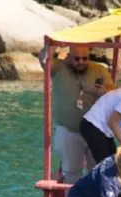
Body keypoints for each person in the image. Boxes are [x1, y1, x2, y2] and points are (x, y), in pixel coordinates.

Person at [40, 45, 115, 183]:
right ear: (68, 57)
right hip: (68, 129)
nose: (81, 61)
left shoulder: (98, 69)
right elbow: (45, 61)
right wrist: (52, 45)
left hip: (95, 129)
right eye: (77, 58)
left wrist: (103, 90)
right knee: (71, 170)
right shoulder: (59, 67)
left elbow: (112, 89)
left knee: (97, 170)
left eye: (85, 58)